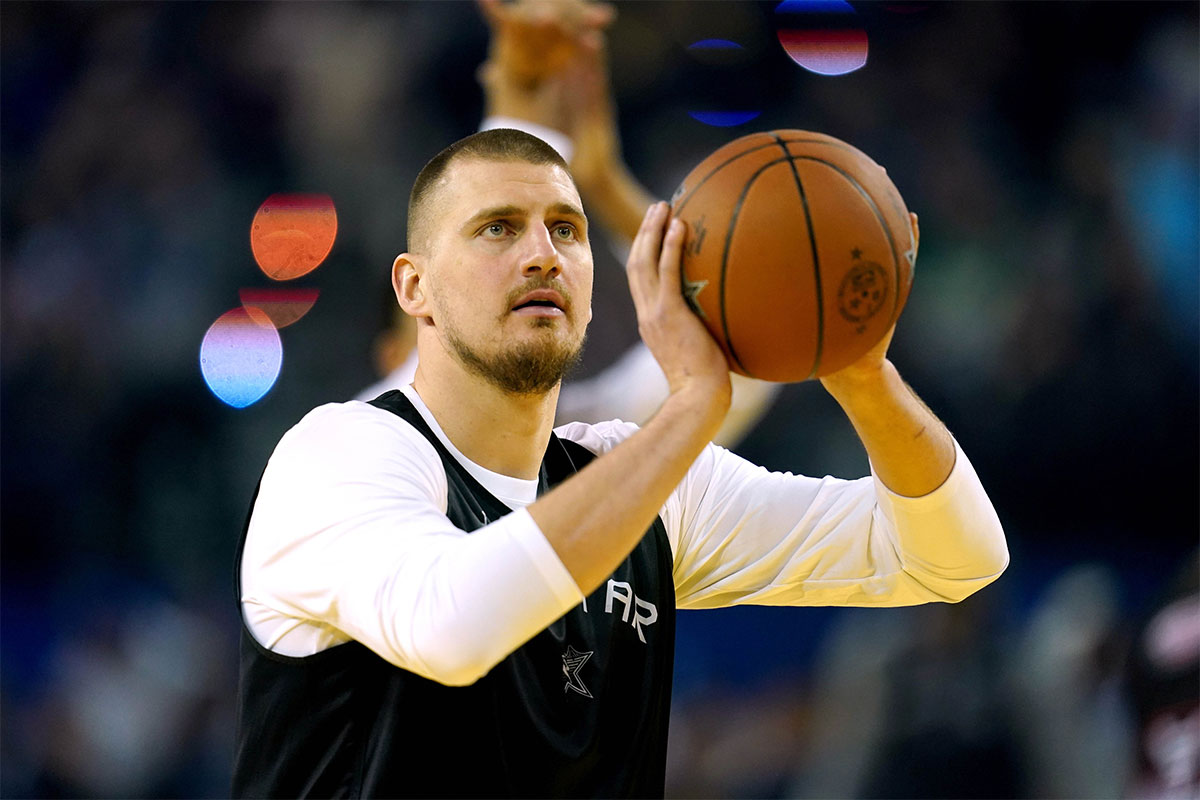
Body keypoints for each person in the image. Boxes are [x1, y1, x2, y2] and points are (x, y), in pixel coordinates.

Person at [233, 18, 1008, 800]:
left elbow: (955, 555)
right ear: (413, 289)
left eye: (566, 231)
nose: (542, 253)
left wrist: (859, 369)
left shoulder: (634, 473)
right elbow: (454, 625)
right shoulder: (337, 454)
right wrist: (692, 406)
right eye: (497, 230)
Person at [356, 0, 781, 450]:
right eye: (498, 233)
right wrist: (521, 115)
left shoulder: (591, 444)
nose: (540, 262)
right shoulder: (354, 444)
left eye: (563, 232)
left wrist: (604, 183)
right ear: (395, 355)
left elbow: (745, 331)